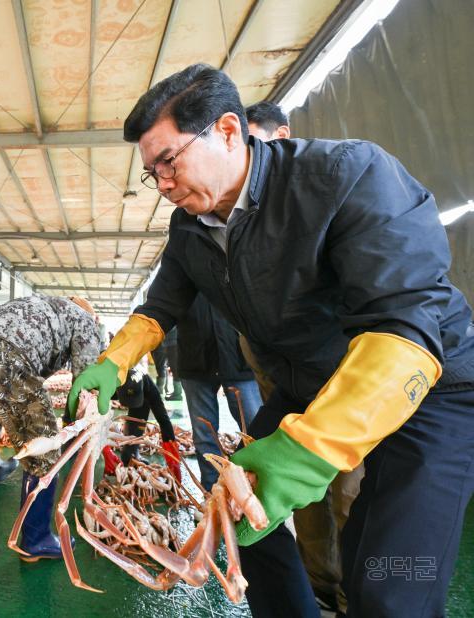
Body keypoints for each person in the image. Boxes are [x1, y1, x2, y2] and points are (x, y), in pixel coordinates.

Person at [70, 63, 474, 617]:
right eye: (152, 172)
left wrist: (311, 448)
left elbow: (402, 323)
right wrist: (111, 365)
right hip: (308, 382)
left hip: (429, 389)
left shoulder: (346, 175)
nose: (161, 184)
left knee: (388, 582)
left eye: (169, 161)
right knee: (237, 517)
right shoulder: (190, 227)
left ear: (229, 131)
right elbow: (160, 307)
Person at [246, 100, 362, 615]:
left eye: (253, 144)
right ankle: (320, 584)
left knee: (347, 488)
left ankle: (352, 591)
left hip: (343, 378)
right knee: (290, 494)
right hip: (278, 376)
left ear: (282, 135)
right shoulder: (238, 218)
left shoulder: (324, 187)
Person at [0, 295, 100, 560]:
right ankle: (35, 539)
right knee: (44, 452)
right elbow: (85, 381)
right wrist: (70, 423)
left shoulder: (40, 303)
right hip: (8, 358)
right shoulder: (84, 319)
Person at [174, 296, 262, 491]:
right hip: (195, 359)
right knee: (204, 435)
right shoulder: (183, 267)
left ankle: (257, 494)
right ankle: (212, 493)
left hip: (239, 359)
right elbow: (166, 306)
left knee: (256, 431)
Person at [104, 366, 183, 481]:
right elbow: (93, 415)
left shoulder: (150, 389)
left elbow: (164, 421)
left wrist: (173, 459)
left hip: (143, 395)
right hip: (115, 385)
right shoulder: (107, 382)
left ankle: (132, 453)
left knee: (130, 450)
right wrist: (105, 450)